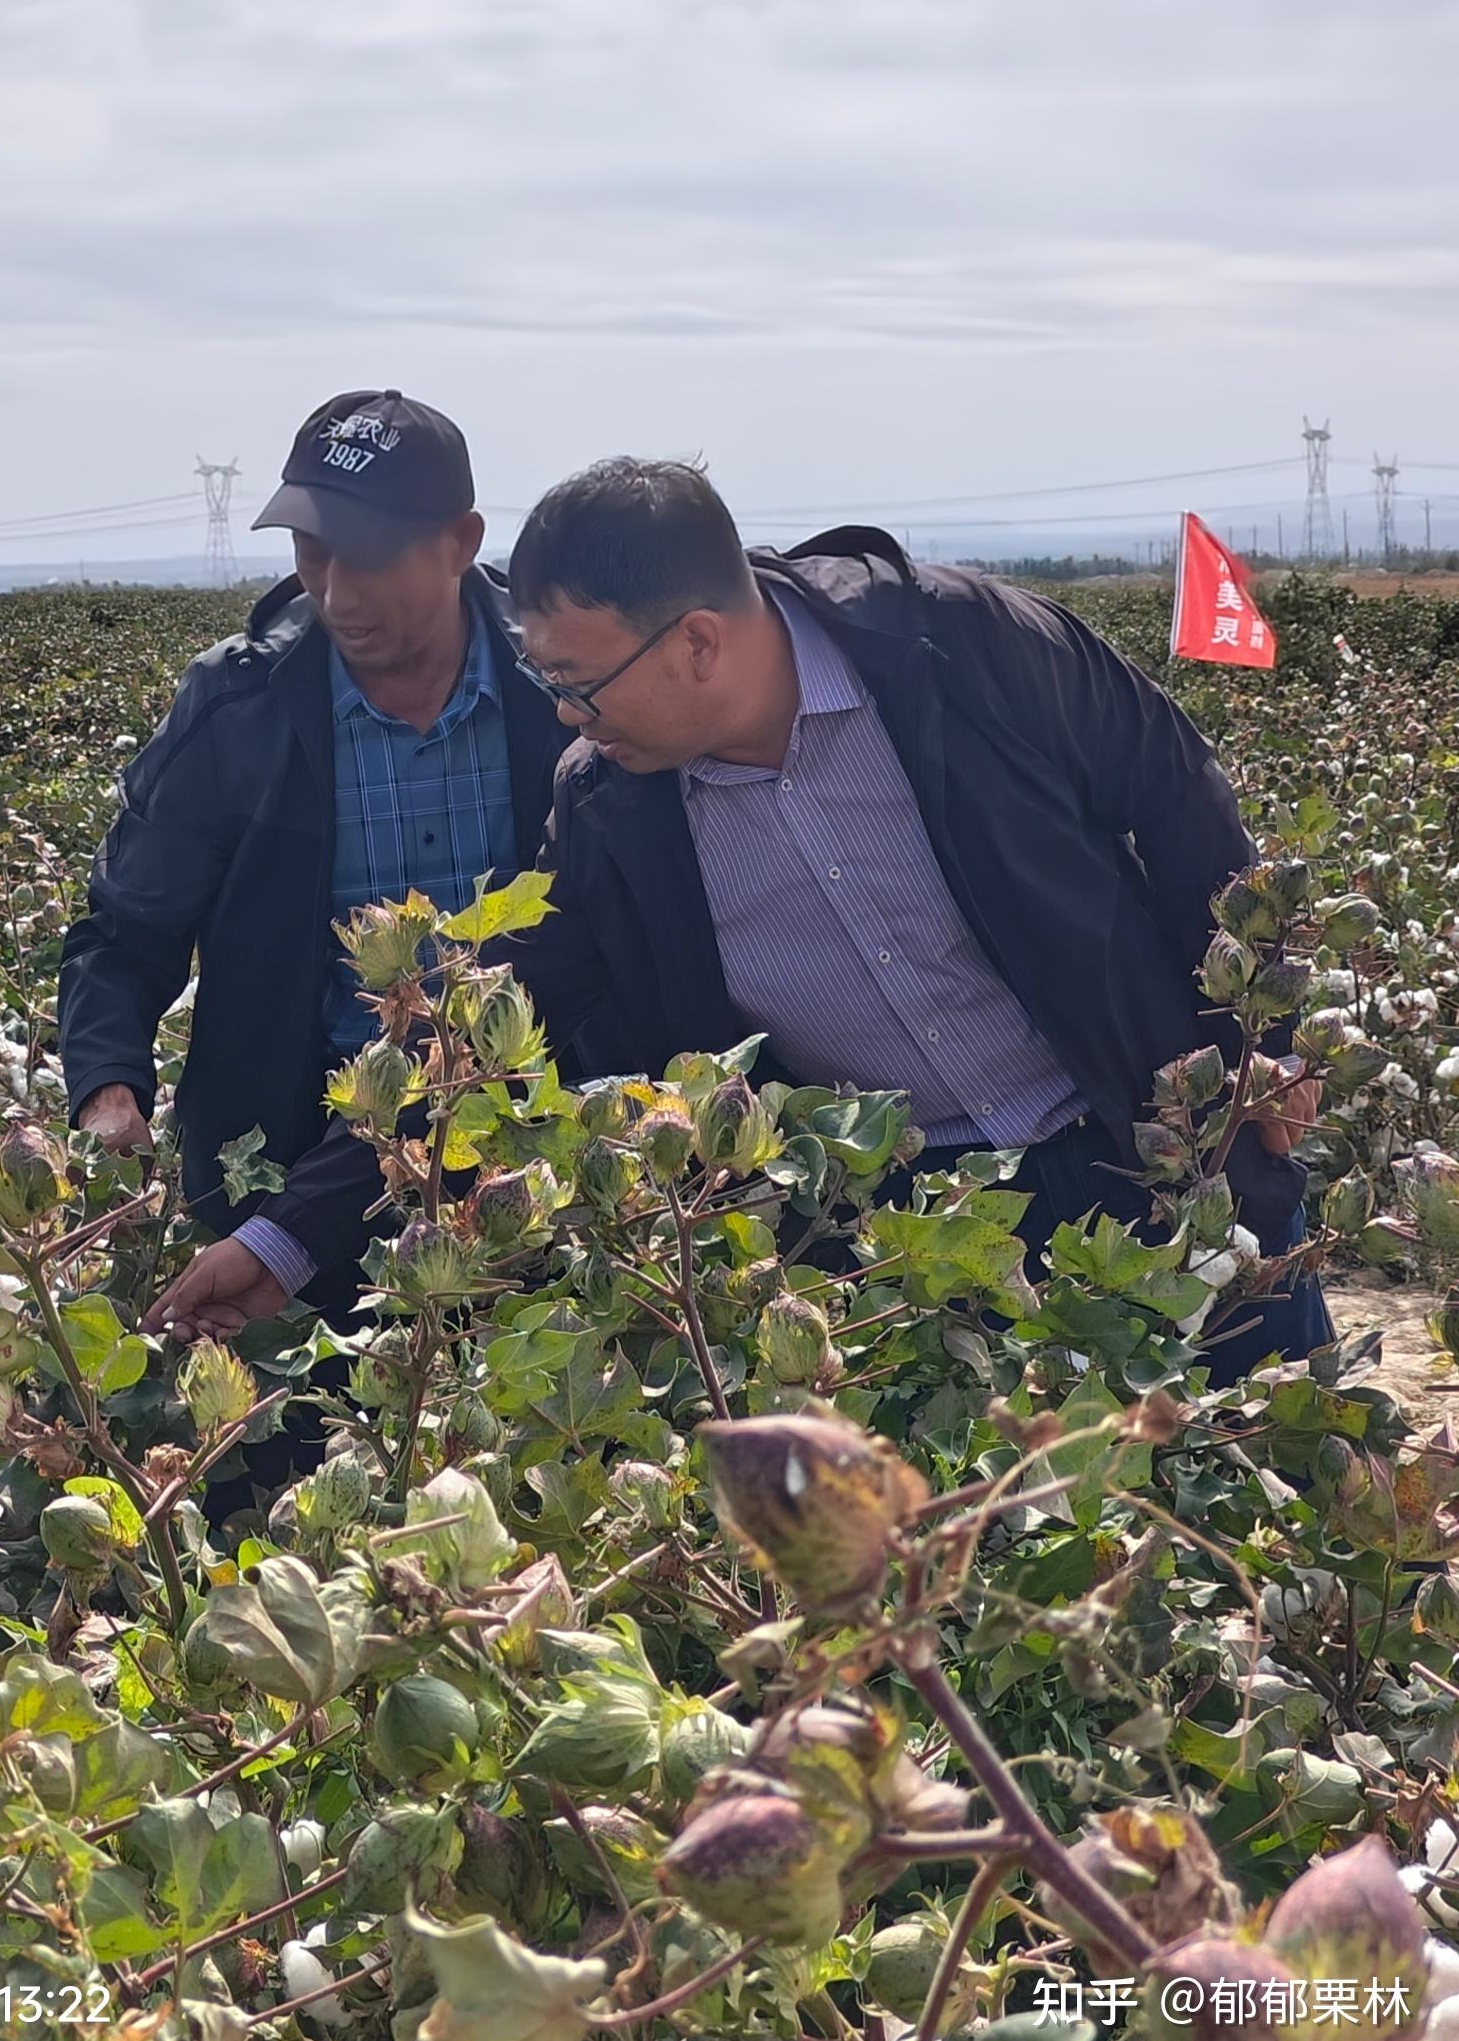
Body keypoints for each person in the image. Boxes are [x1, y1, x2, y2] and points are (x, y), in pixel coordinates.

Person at [501, 457, 1331, 1378]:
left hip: (1155, 1146)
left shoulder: (969, 644)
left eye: (581, 682)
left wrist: (1256, 1040)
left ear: (698, 642)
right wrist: (311, 1230)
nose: (573, 719)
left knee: (1265, 1472)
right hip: (914, 1241)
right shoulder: (610, 806)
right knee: (1015, 1508)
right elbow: (504, 1018)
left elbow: (1182, 800)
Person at [57, 389, 568, 1381]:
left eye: (369, 556)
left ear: (461, 541)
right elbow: (125, 929)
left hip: (526, 1156)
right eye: (311, 552)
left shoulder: (556, 686)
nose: (335, 591)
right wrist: (107, 1079)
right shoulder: (237, 705)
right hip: (283, 1170)